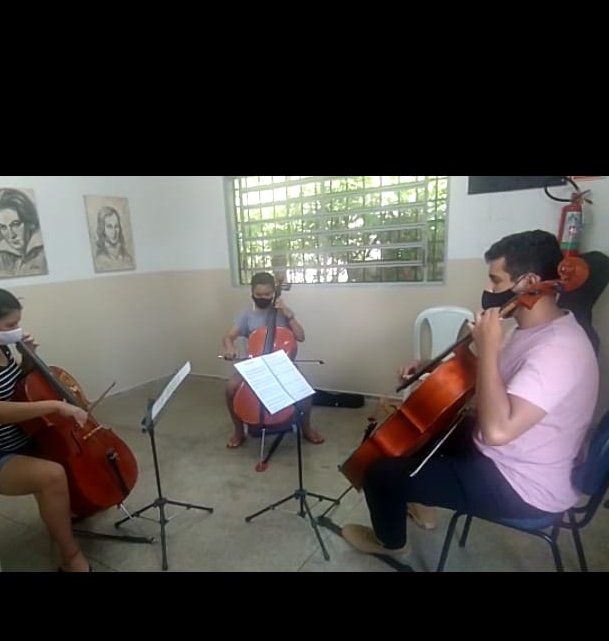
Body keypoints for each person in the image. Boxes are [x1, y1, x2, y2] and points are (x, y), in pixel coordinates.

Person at [341, 230, 600, 562]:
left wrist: (489, 348)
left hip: (522, 485)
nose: (489, 290)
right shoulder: (530, 330)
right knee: (423, 435)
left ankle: (391, 543)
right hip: (514, 454)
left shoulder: (558, 351)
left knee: (379, 474)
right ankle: (415, 497)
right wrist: (430, 366)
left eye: (496, 280)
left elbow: (497, 432)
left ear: (529, 282)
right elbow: (494, 379)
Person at [0, 285, 92, 572]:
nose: (17, 330)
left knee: (64, 453)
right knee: (52, 475)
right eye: (11, 325)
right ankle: (71, 557)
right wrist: (54, 406)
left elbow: (16, 389)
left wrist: (28, 358)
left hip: (15, 440)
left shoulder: (0, 347)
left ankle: (65, 511)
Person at [221, 271, 324, 449]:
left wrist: (289, 315)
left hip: (281, 365)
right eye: (259, 294)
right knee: (230, 388)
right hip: (255, 365)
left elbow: (300, 337)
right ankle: (238, 431)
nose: (263, 298)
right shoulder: (246, 315)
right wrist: (229, 348)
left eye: (267, 294)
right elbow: (228, 337)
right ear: (252, 293)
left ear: (274, 293)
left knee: (305, 392)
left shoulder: (283, 313)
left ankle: (306, 427)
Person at [0, 188, 48, 277]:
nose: (11, 235)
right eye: (3, 227)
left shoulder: (43, 253)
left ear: (29, 222)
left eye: (15, 224)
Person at [94, 206, 134, 270]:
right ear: (102, 229)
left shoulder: (127, 257)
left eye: (116, 226)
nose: (114, 232)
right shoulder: (99, 259)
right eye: (109, 227)